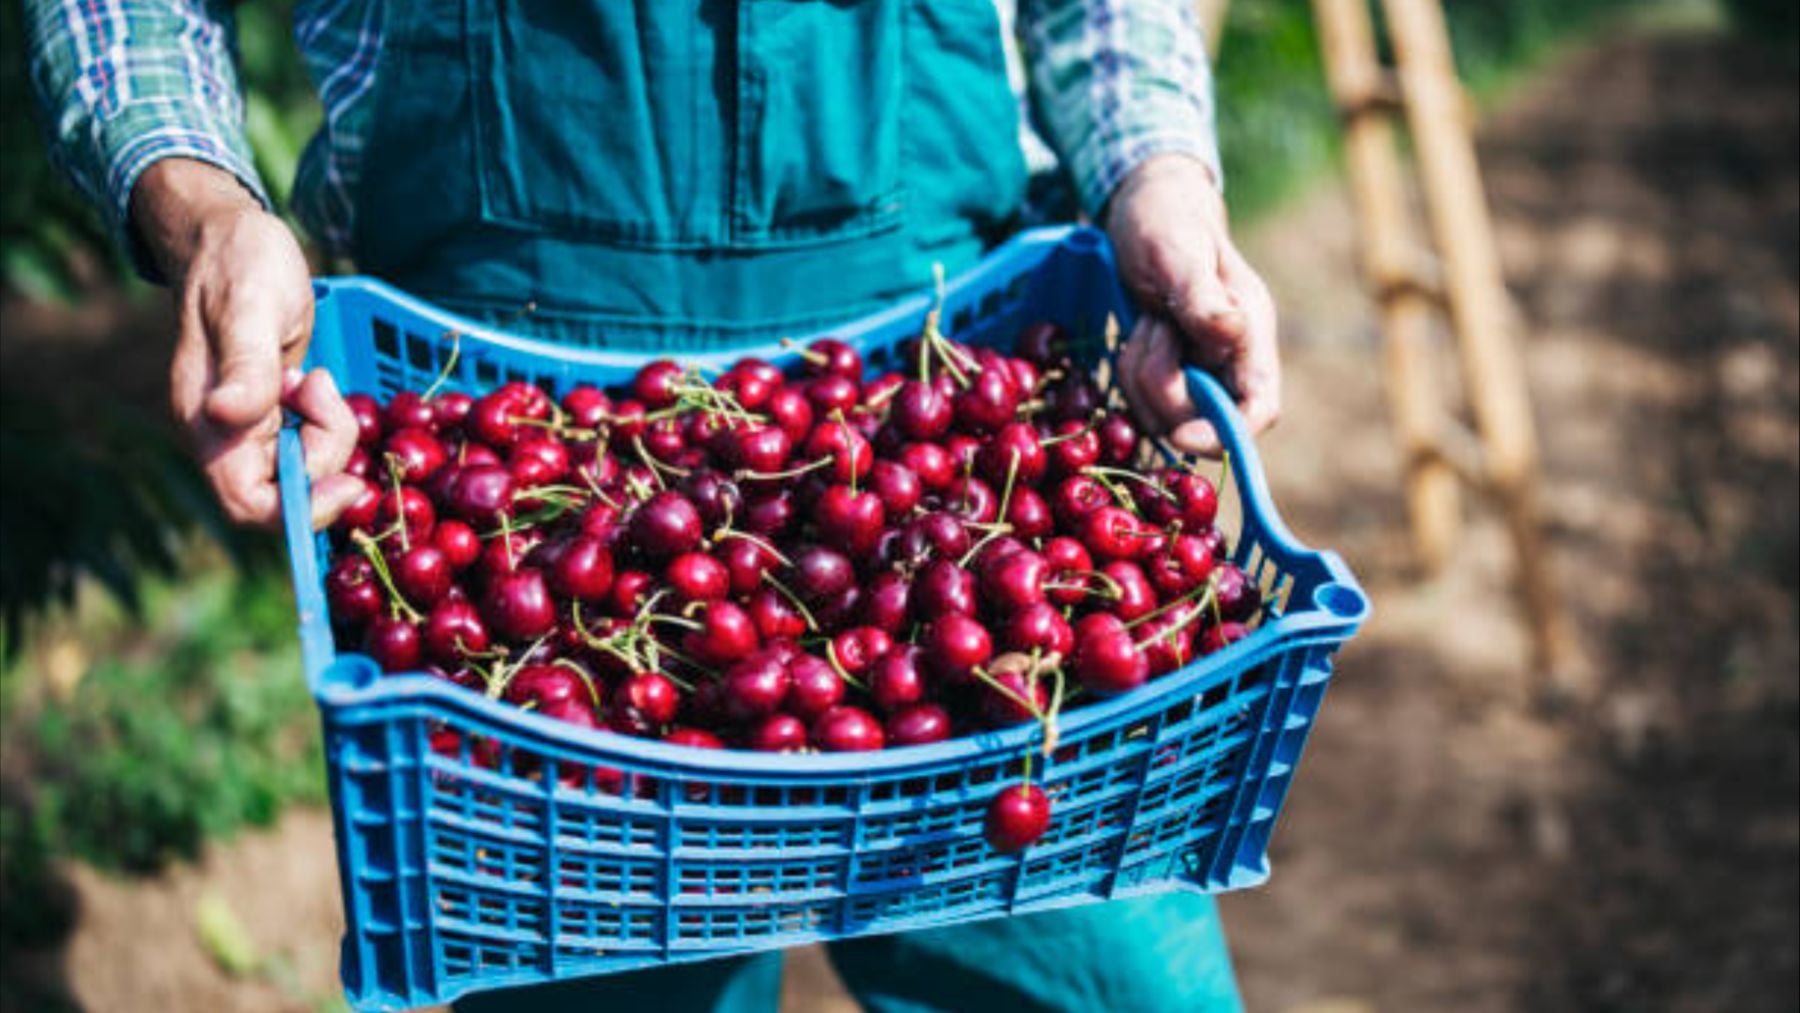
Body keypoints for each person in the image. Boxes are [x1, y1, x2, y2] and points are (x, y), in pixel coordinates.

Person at [27, 1, 1279, 1010]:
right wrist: (203, 209)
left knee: (1099, 963)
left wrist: (1155, 169)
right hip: (507, 377)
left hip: (940, 338)